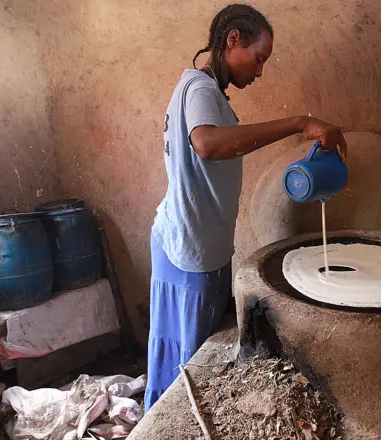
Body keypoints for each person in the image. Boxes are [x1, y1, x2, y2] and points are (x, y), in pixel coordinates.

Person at [145, 3, 347, 410]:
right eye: (257, 60)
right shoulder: (200, 88)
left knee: (182, 351)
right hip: (190, 248)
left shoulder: (206, 91)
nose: (258, 72)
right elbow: (207, 144)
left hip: (196, 240)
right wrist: (298, 123)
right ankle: (167, 422)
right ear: (231, 40)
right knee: (186, 359)